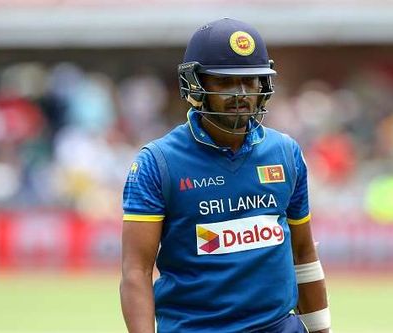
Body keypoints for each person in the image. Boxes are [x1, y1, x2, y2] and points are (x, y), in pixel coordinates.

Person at [120, 18, 331, 333]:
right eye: (225, 81)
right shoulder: (158, 162)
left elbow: (303, 254)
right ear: (196, 85)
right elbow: (136, 271)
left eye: (251, 81)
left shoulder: (285, 153)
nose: (241, 94)